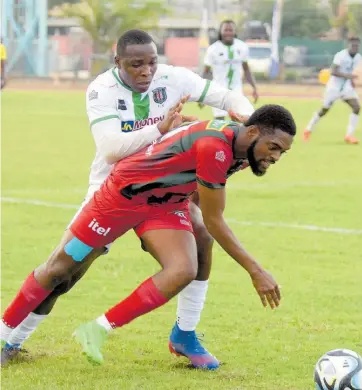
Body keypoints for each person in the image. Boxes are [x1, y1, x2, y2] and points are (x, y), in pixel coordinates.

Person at [0, 29, 255, 369]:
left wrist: (248, 124)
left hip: (162, 195)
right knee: (66, 271)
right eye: (136, 64)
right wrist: (162, 129)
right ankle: (12, 340)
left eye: (151, 62)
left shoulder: (174, 78)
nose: (146, 71)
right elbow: (110, 149)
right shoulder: (101, 90)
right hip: (111, 194)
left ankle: (185, 333)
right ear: (117, 61)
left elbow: (228, 97)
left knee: (201, 238)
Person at [1, 104, 296, 368]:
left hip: (165, 206)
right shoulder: (215, 147)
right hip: (119, 199)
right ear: (253, 131)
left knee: (183, 268)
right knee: (59, 270)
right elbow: (214, 218)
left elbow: (199, 193)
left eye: (282, 151)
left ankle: (100, 329)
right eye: (273, 147)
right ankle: (4, 336)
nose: (276, 156)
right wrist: (255, 271)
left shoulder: (245, 152)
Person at [304, 37, 362, 144]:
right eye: (353, 45)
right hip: (334, 87)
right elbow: (334, 71)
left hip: (346, 88)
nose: (355, 48)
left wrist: (352, 82)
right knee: (324, 110)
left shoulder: (358, 57)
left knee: (357, 107)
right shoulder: (341, 56)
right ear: (348, 45)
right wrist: (348, 76)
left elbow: (352, 70)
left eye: (356, 46)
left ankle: (349, 135)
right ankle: (308, 129)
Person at [200, 20, 259, 120]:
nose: (228, 32)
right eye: (225, 30)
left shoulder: (242, 47)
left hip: (236, 89)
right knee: (219, 121)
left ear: (235, 32)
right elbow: (207, 72)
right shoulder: (213, 49)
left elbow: (246, 69)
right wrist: (202, 94)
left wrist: (254, 88)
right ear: (220, 32)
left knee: (238, 119)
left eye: (230, 30)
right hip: (218, 89)